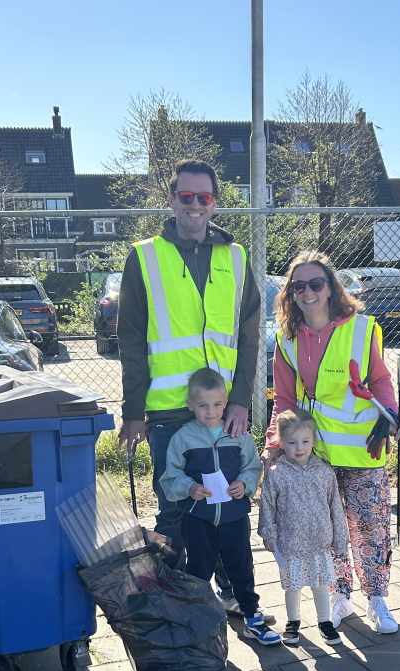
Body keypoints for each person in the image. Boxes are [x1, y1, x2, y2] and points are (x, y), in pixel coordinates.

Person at [115, 158, 274, 623]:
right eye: (186, 197)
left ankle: (227, 594)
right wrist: (134, 410)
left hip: (223, 411)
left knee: (226, 507)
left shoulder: (236, 256)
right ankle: (175, 602)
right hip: (167, 415)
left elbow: (249, 335)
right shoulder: (144, 256)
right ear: (172, 199)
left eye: (204, 198)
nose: (195, 206)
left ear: (215, 202)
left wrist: (242, 397)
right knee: (177, 513)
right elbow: (130, 339)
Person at [262, 250, 400, 635]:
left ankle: (377, 599)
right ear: (291, 294)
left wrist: (389, 413)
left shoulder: (359, 329)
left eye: (316, 284)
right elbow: (285, 401)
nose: (307, 292)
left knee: (370, 528)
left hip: (363, 449)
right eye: (298, 286)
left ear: (330, 288)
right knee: (327, 529)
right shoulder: (286, 339)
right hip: (315, 454)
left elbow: (379, 380)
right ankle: (339, 594)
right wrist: (274, 445)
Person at [160, 369, 279, 645]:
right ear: (190, 405)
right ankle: (197, 624)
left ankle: (251, 618)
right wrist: (189, 487)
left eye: (216, 404)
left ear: (226, 402)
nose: (210, 411)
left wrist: (245, 484)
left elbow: (252, 467)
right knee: (199, 570)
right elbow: (170, 477)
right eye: (202, 405)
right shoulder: (183, 438)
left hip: (234, 517)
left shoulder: (238, 434)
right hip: (197, 519)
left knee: (242, 568)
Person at [258, 409, 350, 646]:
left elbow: (335, 506)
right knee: (293, 585)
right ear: (281, 442)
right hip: (290, 544)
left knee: (320, 583)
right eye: (292, 442)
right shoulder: (277, 474)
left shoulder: (324, 471)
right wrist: (269, 533)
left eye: (305, 442)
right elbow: (267, 505)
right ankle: (293, 621)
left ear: (313, 441)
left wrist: (340, 538)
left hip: (319, 542)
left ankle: (324, 621)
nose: (299, 448)